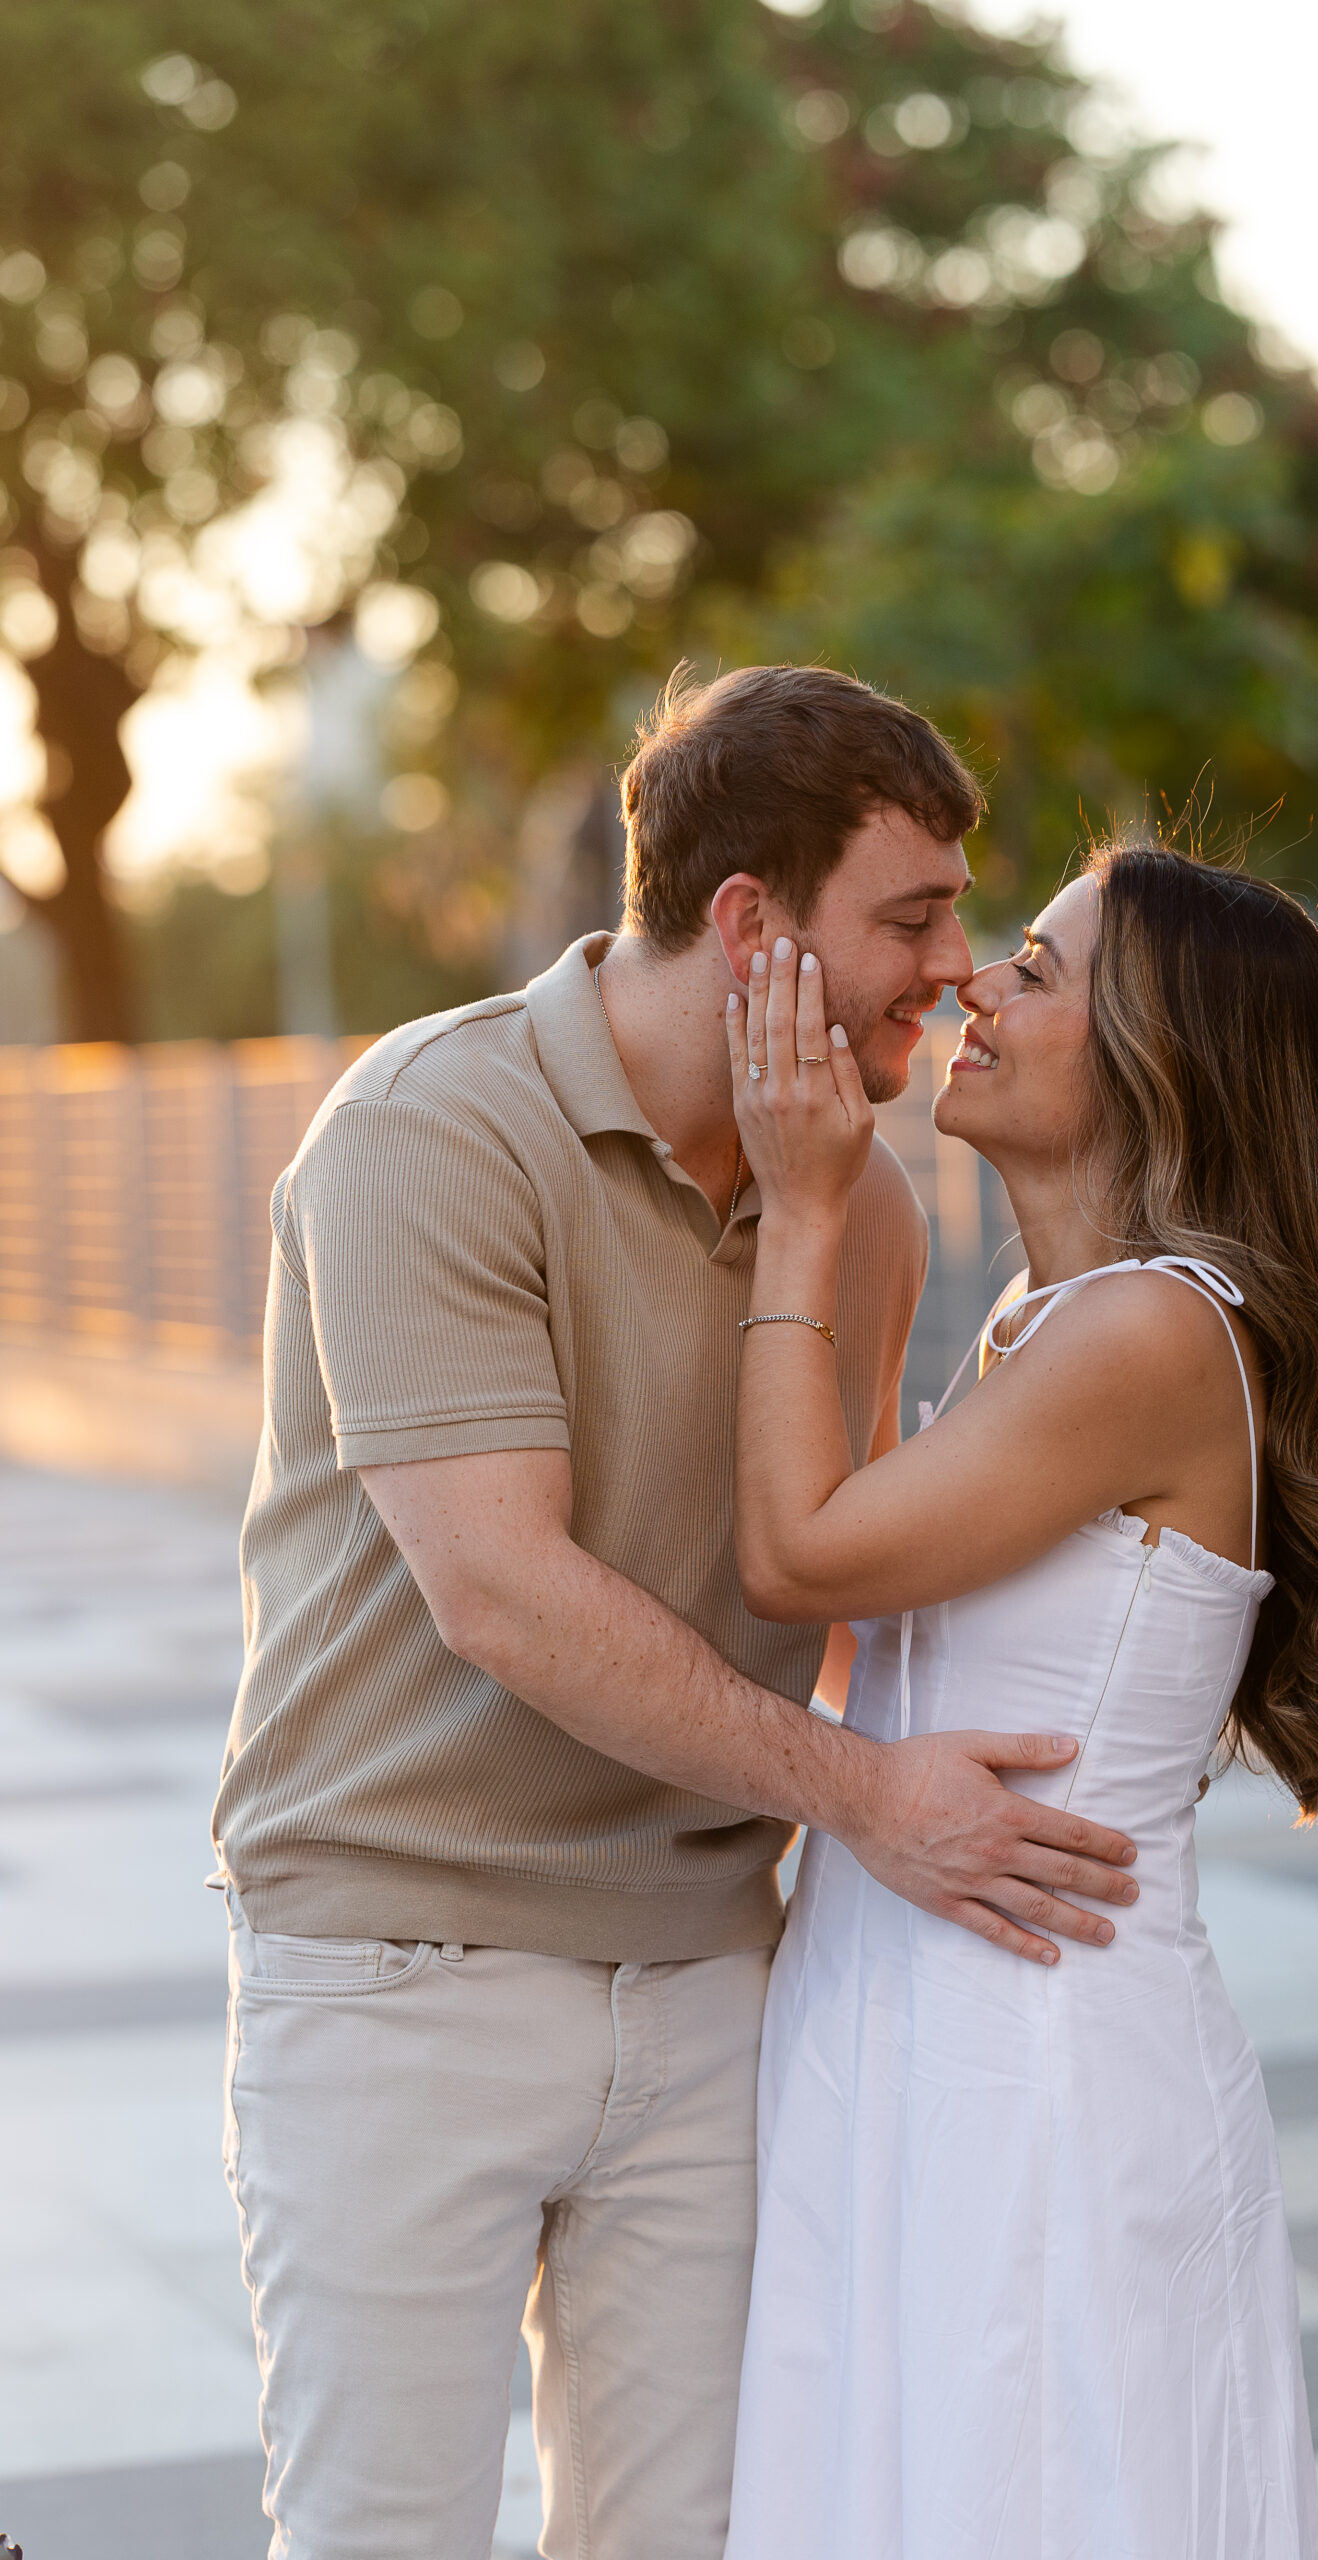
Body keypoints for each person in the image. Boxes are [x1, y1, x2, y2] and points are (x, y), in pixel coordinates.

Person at [211, 665, 1147, 2560]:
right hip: (407, 1969)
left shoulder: (858, 1210)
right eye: (910, 917)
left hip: (713, 1976)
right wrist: (872, 1799)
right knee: (378, 2535)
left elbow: (833, 1565)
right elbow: (505, 1596)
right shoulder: (427, 1128)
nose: (954, 968)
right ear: (750, 926)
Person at [720, 842, 1318, 2559]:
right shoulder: (1042, 1321)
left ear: (1162, 1063)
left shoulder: (1154, 1335)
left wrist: (807, 1205)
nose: (978, 983)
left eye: (1040, 974)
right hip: (904, 2008)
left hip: (1038, 2054)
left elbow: (796, 1557)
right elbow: (885, 1648)